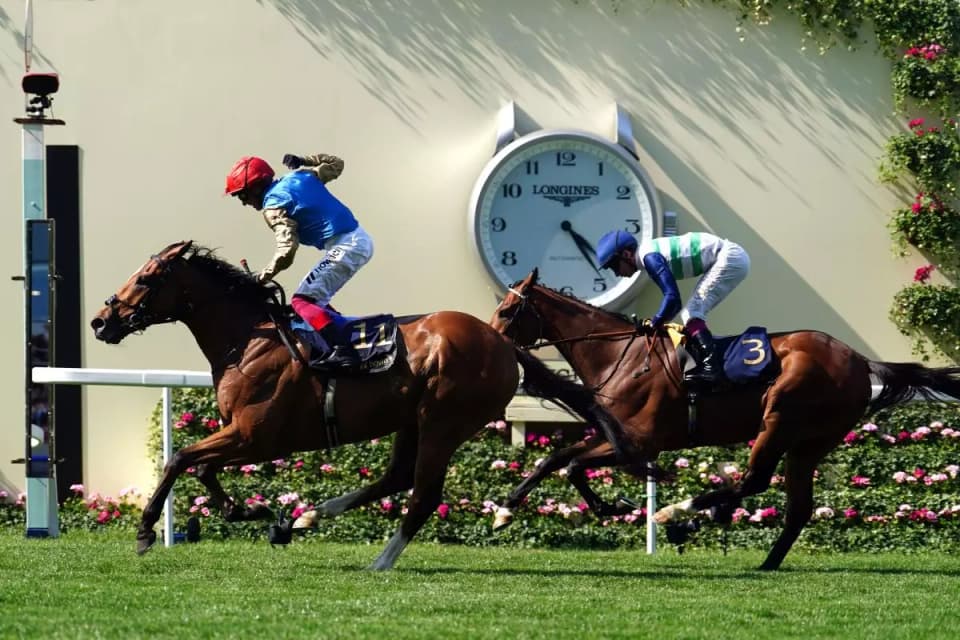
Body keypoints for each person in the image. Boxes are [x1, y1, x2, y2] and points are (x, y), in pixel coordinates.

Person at [224, 153, 374, 365]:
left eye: (243, 195)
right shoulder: (301, 175)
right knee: (315, 302)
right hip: (358, 239)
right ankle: (345, 338)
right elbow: (337, 164)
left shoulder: (273, 206)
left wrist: (260, 278)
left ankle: (345, 351)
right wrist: (306, 160)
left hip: (347, 246)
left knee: (301, 301)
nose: (244, 202)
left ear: (256, 187)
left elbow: (286, 251)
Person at [596, 230, 750, 386]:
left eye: (614, 265)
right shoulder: (648, 256)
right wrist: (657, 321)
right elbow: (673, 303)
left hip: (729, 257)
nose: (616, 273)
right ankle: (710, 365)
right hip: (729, 257)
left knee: (692, 312)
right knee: (691, 313)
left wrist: (655, 322)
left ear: (627, 254)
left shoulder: (649, 258)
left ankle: (712, 368)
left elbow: (673, 299)